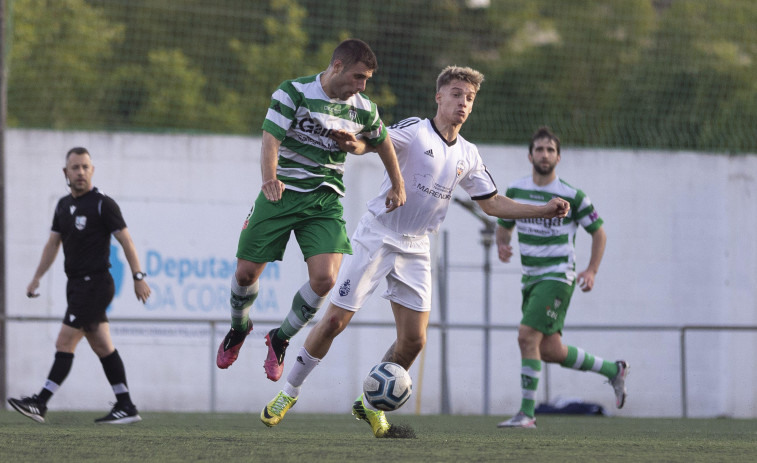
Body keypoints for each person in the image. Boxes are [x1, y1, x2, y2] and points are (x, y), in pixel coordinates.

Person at [259, 66, 570, 437]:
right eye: (456, 94)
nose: (463, 103)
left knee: (414, 340)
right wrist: (353, 144)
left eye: (469, 98)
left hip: (418, 246)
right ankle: (289, 392)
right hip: (378, 234)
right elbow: (375, 142)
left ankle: (370, 404)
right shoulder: (416, 129)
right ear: (438, 97)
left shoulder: (468, 154)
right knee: (334, 322)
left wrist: (543, 210)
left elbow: (492, 203)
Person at [215, 38, 405, 382]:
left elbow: (382, 142)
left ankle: (280, 338)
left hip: (324, 200)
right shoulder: (293, 92)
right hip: (281, 193)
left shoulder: (363, 108)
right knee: (245, 275)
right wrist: (269, 178)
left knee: (325, 279)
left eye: (366, 81)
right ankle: (238, 328)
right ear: (336, 67)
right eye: (358, 77)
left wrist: (396, 182)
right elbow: (270, 137)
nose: (361, 86)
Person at [494, 126, 628, 429]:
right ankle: (612, 370)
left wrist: (591, 270)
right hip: (530, 279)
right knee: (548, 350)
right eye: (539, 149)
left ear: (559, 156)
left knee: (526, 336)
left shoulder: (573, 195)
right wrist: (502, 243)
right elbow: (504, 222)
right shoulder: (515, 190)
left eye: (550, 150)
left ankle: (526, 413)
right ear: (530, 155)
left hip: (557, 277)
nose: (544, 154)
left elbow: (599, 233)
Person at [7, 147, 151, 424]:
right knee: (102, 345)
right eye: (75, 167)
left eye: (86, 167)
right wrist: (36, 277)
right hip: (75, 285)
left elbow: (127, 241)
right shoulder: (62, 206)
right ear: (66, 173)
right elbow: (52, 244)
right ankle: (125, 404)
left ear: (92, 171)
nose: (81, 172)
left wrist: (138, 277)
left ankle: (40, 402)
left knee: (64, 341)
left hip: (96, 284)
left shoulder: (102, 204)